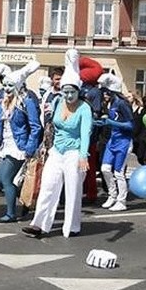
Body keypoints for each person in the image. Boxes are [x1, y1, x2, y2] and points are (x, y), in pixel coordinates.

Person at [22, 49, 92, 239]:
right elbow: (50, 127)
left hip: (74, 153)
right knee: (48, 186)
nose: (68, 96)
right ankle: (39, 224)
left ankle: (72, 226)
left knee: (72, 190)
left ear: (78, 91)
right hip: (56, 151)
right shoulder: (57, 102)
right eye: (65, 91)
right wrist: (45, 146)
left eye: (72, 92)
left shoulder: (85, 109)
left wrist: (83, 156)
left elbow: (86, 133)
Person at [0, 61, 42, 222]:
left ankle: (11, 213)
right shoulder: (4, 102)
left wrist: (30, 148)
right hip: (5, 145)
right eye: (5, 85)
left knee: (6, 179)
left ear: (18, 85)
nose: (6, 89)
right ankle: (24, 197)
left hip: (19, 146)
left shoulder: (27, 102)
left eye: (10, 85)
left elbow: (36, 126)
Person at [97, 73, 134, 212]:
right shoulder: (111, 103)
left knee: (119, 173)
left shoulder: (122, 103)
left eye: (106, 91)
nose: (104, 94)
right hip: (113, 140)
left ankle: (122, 200)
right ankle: (112, 195)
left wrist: (111, 122)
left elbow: (130, 125)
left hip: (124, 142)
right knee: (105, 169)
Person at [78, 56, 104, 205]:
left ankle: (89, 192)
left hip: (88, 132)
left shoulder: (91, 91)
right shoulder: (95, 91)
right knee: (89, 165)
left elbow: (96, 113)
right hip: (88, 132)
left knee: (88, 164)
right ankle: (89, 192)